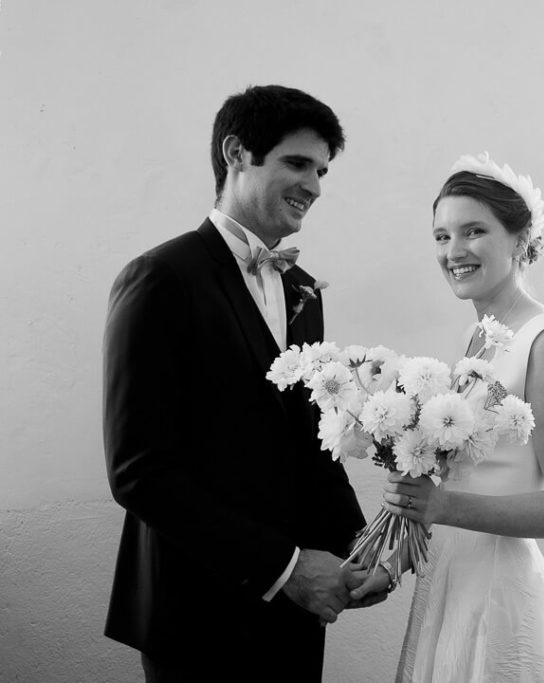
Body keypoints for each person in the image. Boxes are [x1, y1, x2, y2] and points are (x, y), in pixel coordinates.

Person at [102, 84, 383, 682]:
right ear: (236, 153)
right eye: (297, 162)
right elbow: (139, 471)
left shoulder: (303, 289)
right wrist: (286, 568)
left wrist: (361, 547)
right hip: (197, 612)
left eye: (322, 170)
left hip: (298, 615)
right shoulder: (160, 279)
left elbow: (311, 442)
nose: (314, 185)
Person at [352, 152, 544, 682]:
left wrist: (439, 505)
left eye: (473, 231)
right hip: (450, 583)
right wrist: (393, 563)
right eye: (441, 236)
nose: (454, 251)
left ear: (519, 239)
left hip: (500, 601)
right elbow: (464, 481)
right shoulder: (477, 338)